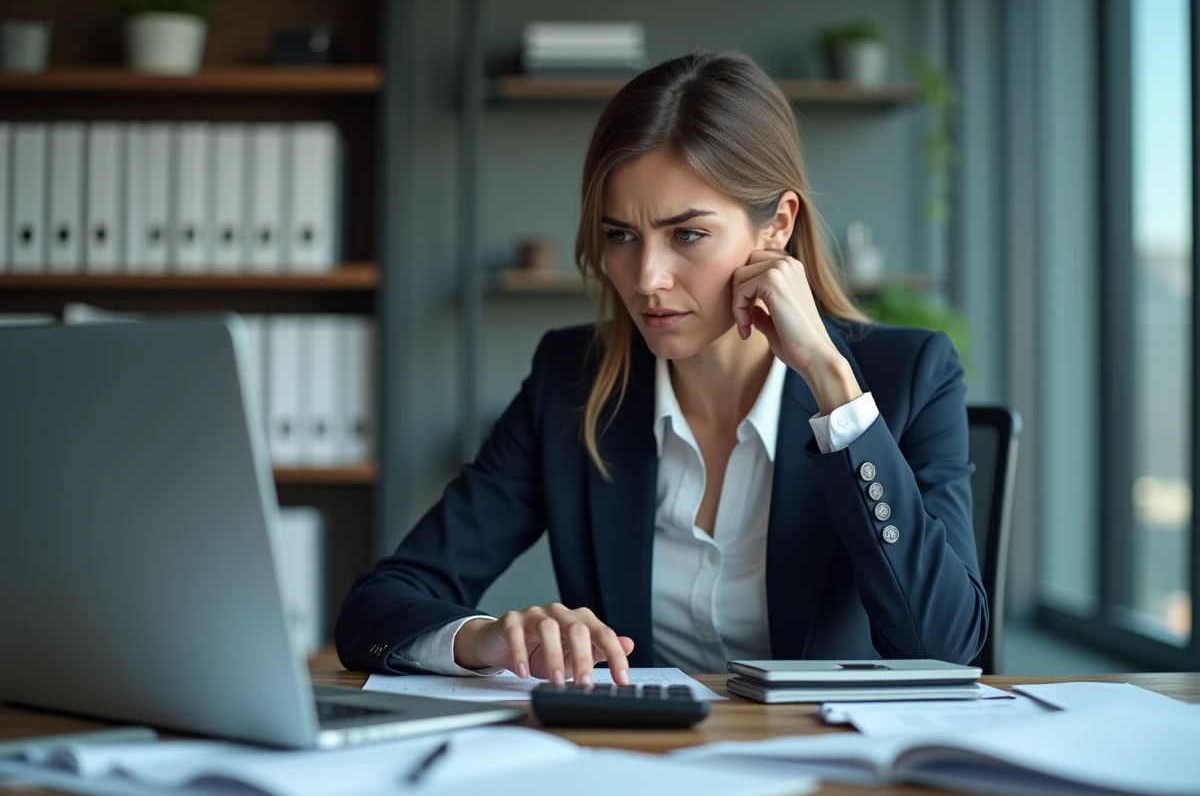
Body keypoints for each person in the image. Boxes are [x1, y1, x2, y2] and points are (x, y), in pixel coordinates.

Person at [335, 50, 987, 687]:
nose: (647, 278)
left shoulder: (908, 377)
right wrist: (484, 639)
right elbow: (377, 607)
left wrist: (832, 385)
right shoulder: (571, 381)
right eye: (620, 235)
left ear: (777, 226)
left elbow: (946, 648)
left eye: (687, 234)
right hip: (642, 748)